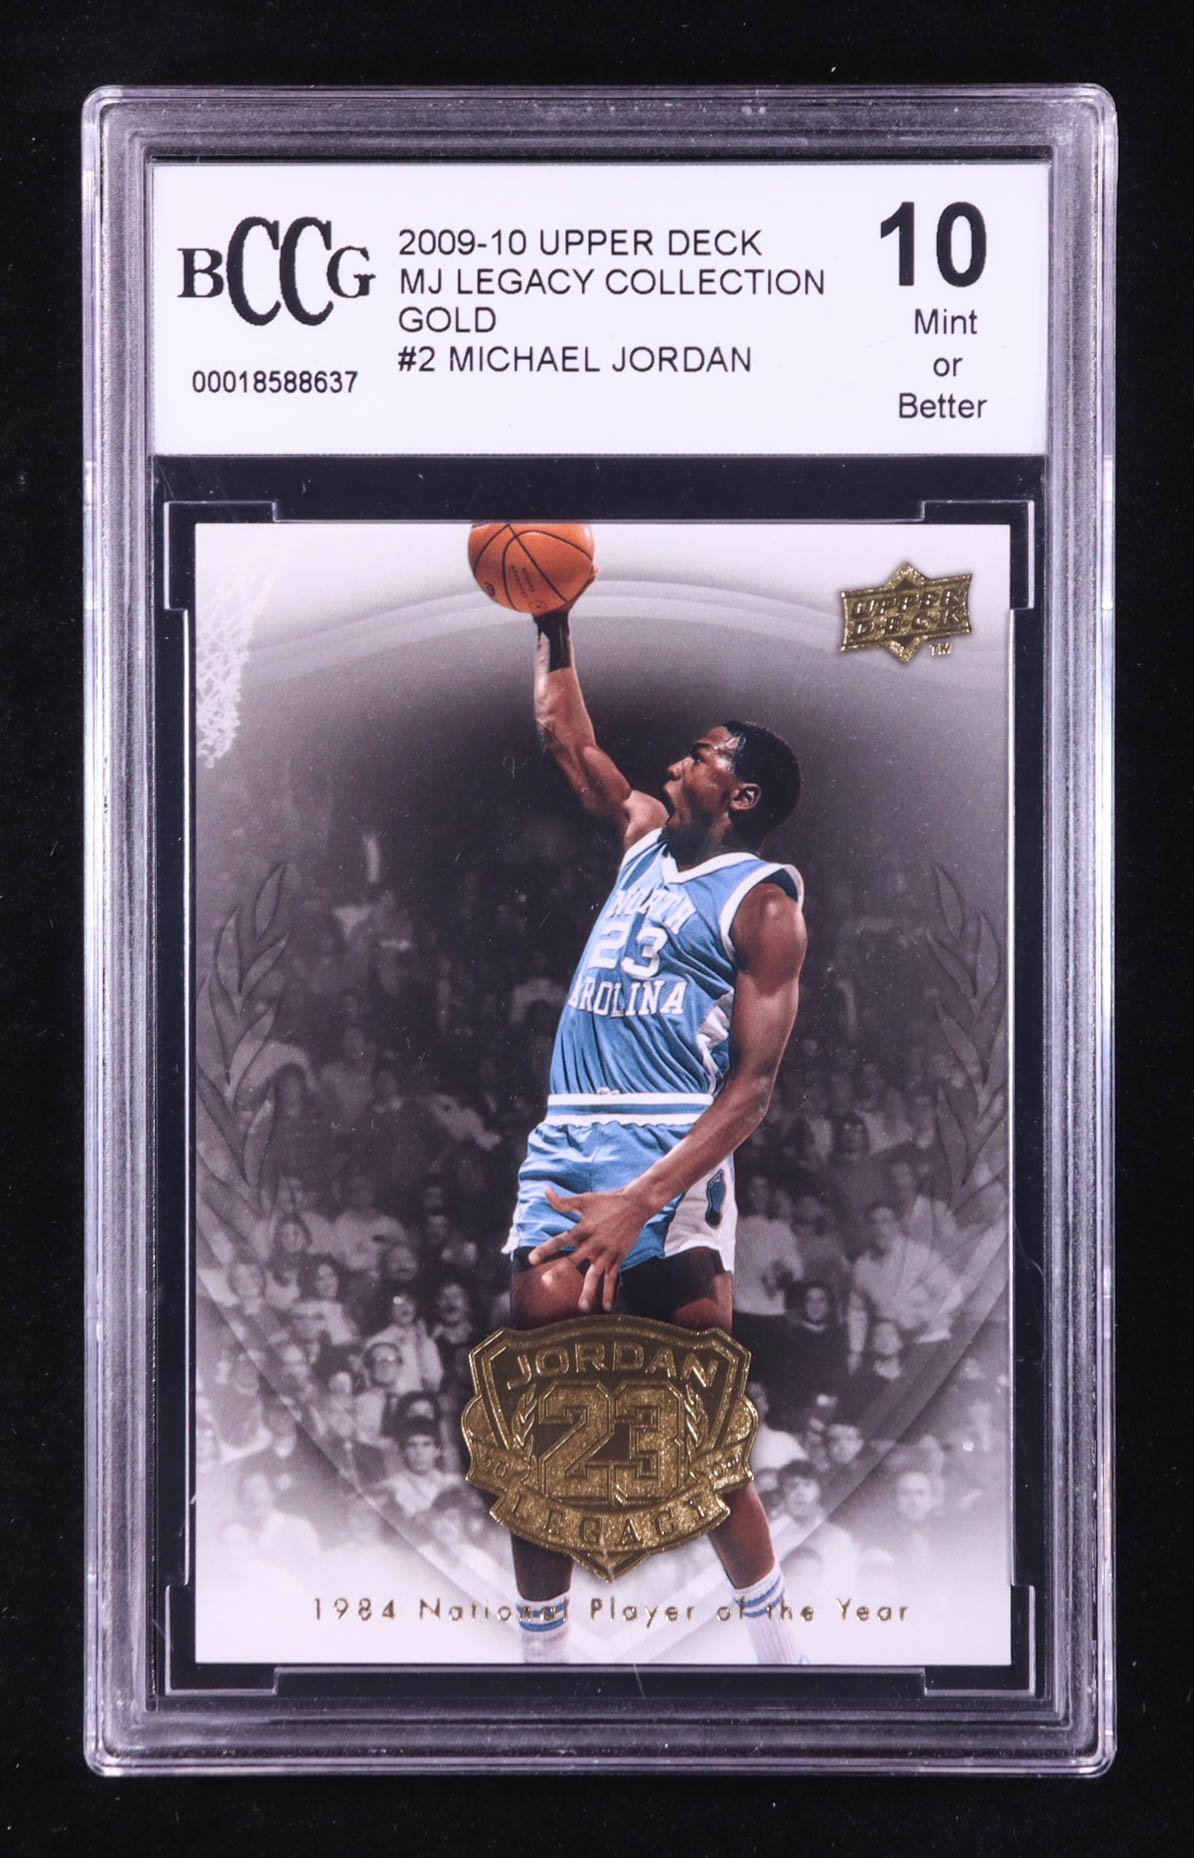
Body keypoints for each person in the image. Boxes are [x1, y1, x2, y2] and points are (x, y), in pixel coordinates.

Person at [501, 590, 807, 1665]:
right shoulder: (641, 836)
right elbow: (565, 736)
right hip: (569, 1143)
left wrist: (643, 1199)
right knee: (537, 1420)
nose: (681, 758)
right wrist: (551, 619)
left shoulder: (764, 905)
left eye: (705, 753)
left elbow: (751, 1093)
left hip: (670, 1155)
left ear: (743, 792)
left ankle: (779, 1653)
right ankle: (543, 1663)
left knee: (697, 1432)